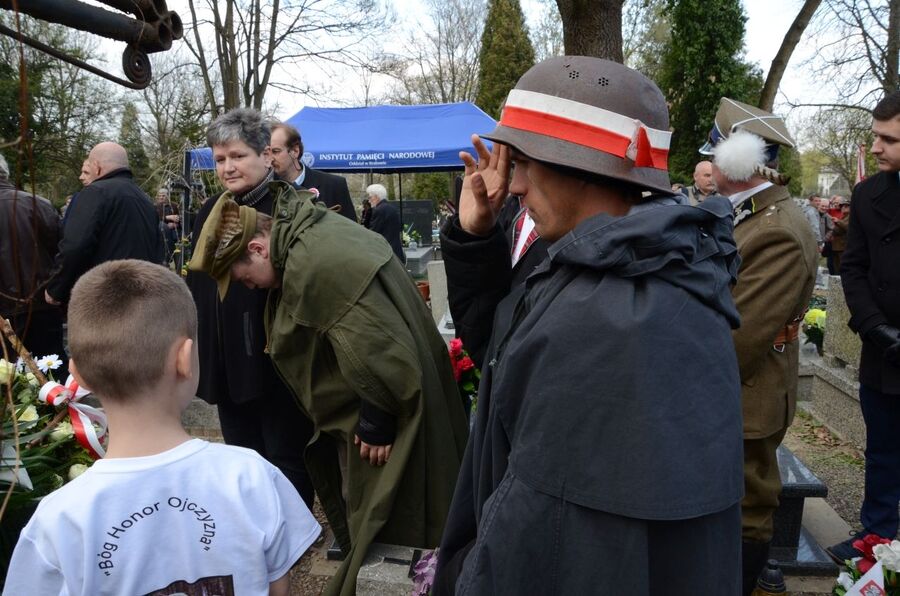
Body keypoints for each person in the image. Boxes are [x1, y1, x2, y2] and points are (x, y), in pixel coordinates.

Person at [433, 56, 744, 595]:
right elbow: (496, 349)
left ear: (587, 164)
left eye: (526, 160)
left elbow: (545, 539)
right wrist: (476, 237)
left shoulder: (608, 317)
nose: (515, 183)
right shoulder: (613, 268)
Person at [189, 160, 468, 596]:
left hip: (392, 410)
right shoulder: (308, 233)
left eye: (242, 276)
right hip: (391, 399)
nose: (248, 287)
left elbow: (376, 344)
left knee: (396, 517)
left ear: (259, 249)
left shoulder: (312, 264)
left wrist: (376, 418)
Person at [3, 259, 320, 595]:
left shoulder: (58, 520)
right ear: (185, 358)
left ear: (76, 374)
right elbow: (277, 589)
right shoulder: (252, 477)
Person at [699, 97, 818, 593]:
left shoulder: (778, 233)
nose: (708, 163)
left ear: (739, 160)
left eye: (716, 152)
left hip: (747, 394)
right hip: (736, 390)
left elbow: (736, 338)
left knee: (747, 508)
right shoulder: (752, 216)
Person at [185, 109, 316, 511]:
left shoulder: (290, 208)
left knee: (284, 451)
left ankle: (294, 526)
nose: (227, 168)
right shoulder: (211, 210)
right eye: (220, 159)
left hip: (273, 358)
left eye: (238, 156)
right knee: (241, 451)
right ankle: (255, 522)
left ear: (265, 155)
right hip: (225, 359)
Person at [827, 90, 900, 563]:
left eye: (888, 139)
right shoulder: (868, 194)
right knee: (883, 453)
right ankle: (875, 540)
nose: (875, 148)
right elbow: (852, 267)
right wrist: (873, 326)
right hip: (885, 351)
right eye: (876, 136)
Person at [45, 142, 162, 305]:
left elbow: (75, 246)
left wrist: (56, 288)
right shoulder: (144, 199)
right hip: (142, 298)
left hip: (105, 301)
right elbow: (158, 250)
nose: (81, 177)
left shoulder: (95, 192)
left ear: (97, 167)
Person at [0, 154, 66, 371]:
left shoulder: (37, 204)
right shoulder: (38, 204)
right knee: (52, 378)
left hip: (21, 309)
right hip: (40, 306)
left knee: (8, 382)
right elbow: (61, 252)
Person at [269, 122, 357, 221]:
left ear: (295, 151)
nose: (270, 158)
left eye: (276, 151)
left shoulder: (333, 185)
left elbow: (352, 233)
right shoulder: (265, 189)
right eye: (266, 153)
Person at [365, 183, 405, 262]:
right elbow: (401, 226)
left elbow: (374, 233)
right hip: (396, 251)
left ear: (376, 197)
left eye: (370, 197)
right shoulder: (392, 208)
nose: (369, 201)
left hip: (385, 253)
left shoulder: (379, 210)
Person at [155, 187, 181, 264]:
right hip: (161, 232)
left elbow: (180, 218)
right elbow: (155, 218)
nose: (161, 197)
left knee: (177, 246)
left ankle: (177, 264)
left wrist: (176, 224)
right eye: (159, 195)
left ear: (168, 196)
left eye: (163, 195)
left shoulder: (174, 206)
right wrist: (167, 218)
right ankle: (165, 261)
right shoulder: (155, 206)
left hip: (174, 232)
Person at [830, 197, 851, 274]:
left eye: (846, 206)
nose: (843, 207)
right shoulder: (844, 216)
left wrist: (838, 221)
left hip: (843, 246)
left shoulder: (851, 216)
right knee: (836, 267)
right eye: (842, 206)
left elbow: (848, 227)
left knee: (842, 268)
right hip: (837, 246)